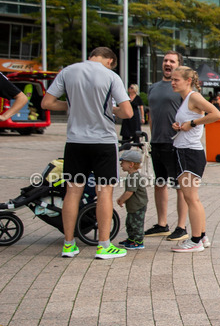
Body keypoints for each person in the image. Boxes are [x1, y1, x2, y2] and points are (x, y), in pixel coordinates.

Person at [41, 47, 133, 259]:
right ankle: (103, 245)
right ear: (110, 60)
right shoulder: (111, 76)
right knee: (104, 192)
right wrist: (110, 109)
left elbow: (47, 103)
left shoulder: (68, 72)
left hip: (75, 142)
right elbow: (127, 111)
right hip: (103, 142)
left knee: (73, 192)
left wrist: (73, 105)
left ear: (92, 56)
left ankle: (68, 244)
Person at [168, 66, 220, 253]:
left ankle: (196, 239)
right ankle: (202, 235)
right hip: (185, 151)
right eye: (172, 79)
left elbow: (216, 114)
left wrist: (191, 123)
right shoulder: (186, 99)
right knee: (192, 198)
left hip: (189, 153)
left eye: (176, 79)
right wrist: (181, 125)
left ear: (187, 81)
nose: (172, 82)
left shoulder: (194, 97)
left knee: (191, 198)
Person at [145, 51, 189, 241]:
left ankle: (181, 226)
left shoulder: (181, 88)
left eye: (172, 61)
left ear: (178, 65)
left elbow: (193, 113)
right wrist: (151, 138)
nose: (167, 63)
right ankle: (162, 224)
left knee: (180, 186)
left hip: (176, 143)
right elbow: (152, 116)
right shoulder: (153, 88)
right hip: (157, 142)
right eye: (165, 60)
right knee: (159, 184)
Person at [116, 148, 148, 250]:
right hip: (133, 206)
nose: (121, 164)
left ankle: (138, 241)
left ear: (131, 164)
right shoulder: (131, 176)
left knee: (136, 224)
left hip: (138, 206)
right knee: (129, 223)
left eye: (123, 162)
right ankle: (131, 238)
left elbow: (129, 192)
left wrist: (121, 199)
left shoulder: (134, 177)